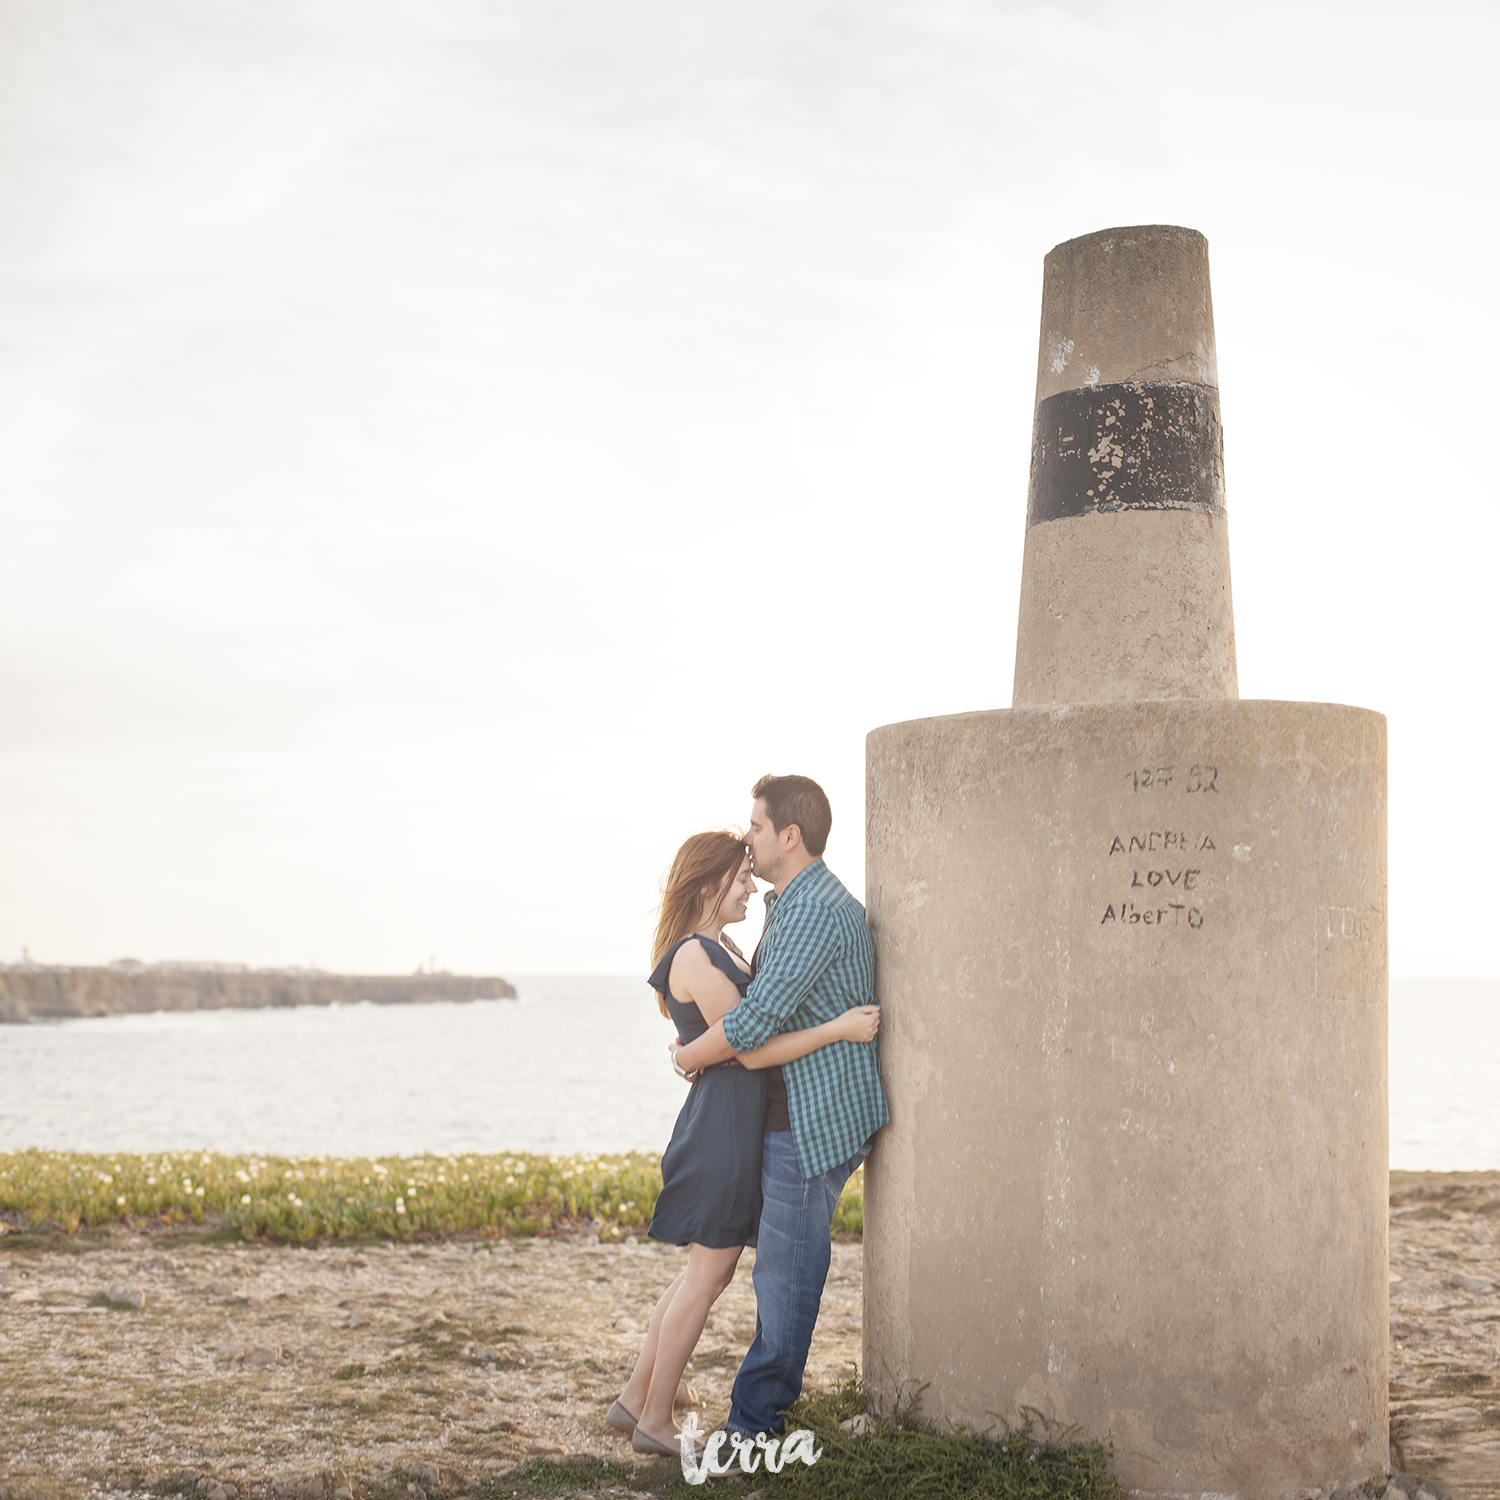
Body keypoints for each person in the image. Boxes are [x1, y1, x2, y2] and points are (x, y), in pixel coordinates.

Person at [609, 828, 881, 1458]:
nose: (751, 888)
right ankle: (654, 1420)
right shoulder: (695, 958)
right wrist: (838, 1028)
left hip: (730, 1118)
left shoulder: (718, 945)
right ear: (708, 886)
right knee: (706, 1278)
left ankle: (633, 1401)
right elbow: (750, 1047)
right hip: (725, 1127)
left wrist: (685, 1054)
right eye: (738, 880)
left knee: (699, 1277)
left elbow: (730, 1039)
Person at [670, 774, 889, 1443]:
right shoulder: (791, 902)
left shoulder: (816, 910)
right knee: (776, 1272)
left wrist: (686, 1057)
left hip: (810, 1118)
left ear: (789, 836)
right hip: (786, 1111)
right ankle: (751, 1417)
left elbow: (757, 1020)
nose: (748, 836)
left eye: (757, 826)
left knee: (785, 1277)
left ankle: (753, 1429)